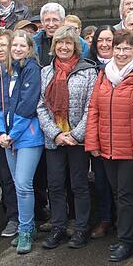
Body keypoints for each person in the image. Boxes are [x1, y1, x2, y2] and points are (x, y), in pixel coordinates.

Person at [86, 29, 133, 262]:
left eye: (126, 49)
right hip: (107, 146)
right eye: (118, 48)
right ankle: (131, 234)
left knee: (126, 194)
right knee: (117, 193)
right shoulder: (103, 75)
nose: (121, 53)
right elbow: (94, 110)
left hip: (130, 147)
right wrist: (93, 141)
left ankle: (126, 241)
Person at [37, 26, 97, 250]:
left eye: (68, 43)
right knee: (55, 184)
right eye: (60, 43)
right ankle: (58, 227)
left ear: (75, 47)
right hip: (54, 139)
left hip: (77, 139)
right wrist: (56, 134)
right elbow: (41, 107)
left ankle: (81, 228)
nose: (63, 47)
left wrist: (74, 134)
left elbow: (91, 107)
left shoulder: (88, 71)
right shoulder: (46, 72)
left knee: (79, 184)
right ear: (54, 46)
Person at [0, 29, 44, 254]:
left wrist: (12, 134)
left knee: (23, 184)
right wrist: (0, 133)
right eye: (14, 45)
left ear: (30, 48)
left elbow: (27, 104)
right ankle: (29, 225)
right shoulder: (6, 71)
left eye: (22, 46)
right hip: (7, 138)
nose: (17, 49)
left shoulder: (32, 70)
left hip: (27, 136)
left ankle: (25, 230)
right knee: (17, 184)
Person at [0, 28, 20, 238]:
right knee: (6, 177)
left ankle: (20, 218)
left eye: (3, 45)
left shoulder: (19, 70)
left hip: (18, 133)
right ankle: (12, 216)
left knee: (18, 179)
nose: (0, 49)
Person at [86, 25, 115, 239]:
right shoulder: (87, 65)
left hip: (120, 132)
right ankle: (105, 218)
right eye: (100, 40)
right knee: (101, 180)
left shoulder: (127, 67)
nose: (104, 44)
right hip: (96, 131)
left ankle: (127, 222)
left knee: (122, 183)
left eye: (109, 40)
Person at [33, 2, 90, 67]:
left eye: (55, 20)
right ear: (42, 22)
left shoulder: (80, 43)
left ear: (63, 22)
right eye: (47, 20)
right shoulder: (33, 42)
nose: (51, 24)